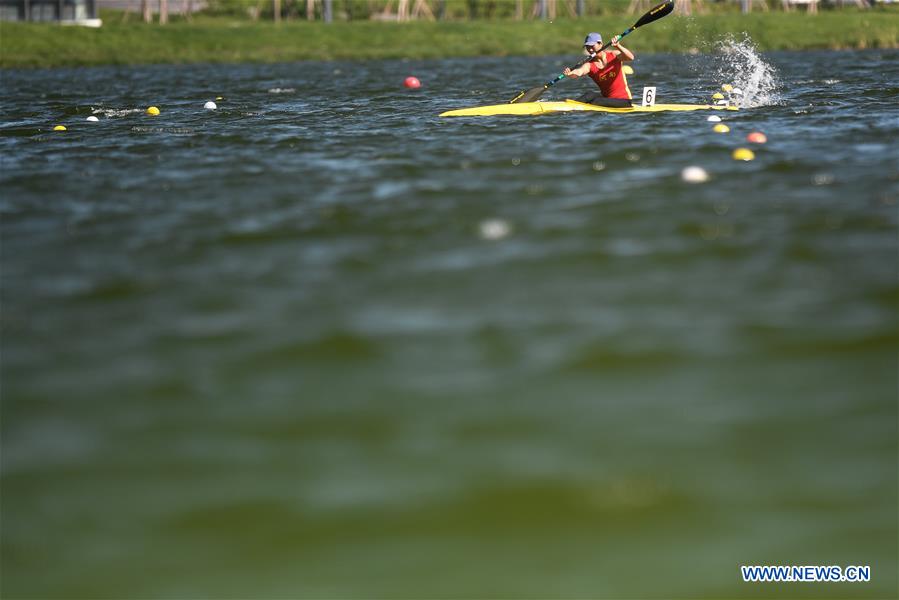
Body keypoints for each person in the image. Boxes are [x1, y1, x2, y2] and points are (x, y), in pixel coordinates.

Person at [563, 32, 635, 108]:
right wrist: (570, 73)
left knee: (596, 101)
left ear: (600, 44)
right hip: (607, 100)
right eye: (587, 46)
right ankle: (570, 107)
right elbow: (579, 72)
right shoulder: (589, 65)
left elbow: (631, 57)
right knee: (589, 95)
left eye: (592, 46)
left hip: (624, 101)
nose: (590, 49)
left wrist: (618, 46)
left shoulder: (614, 55)